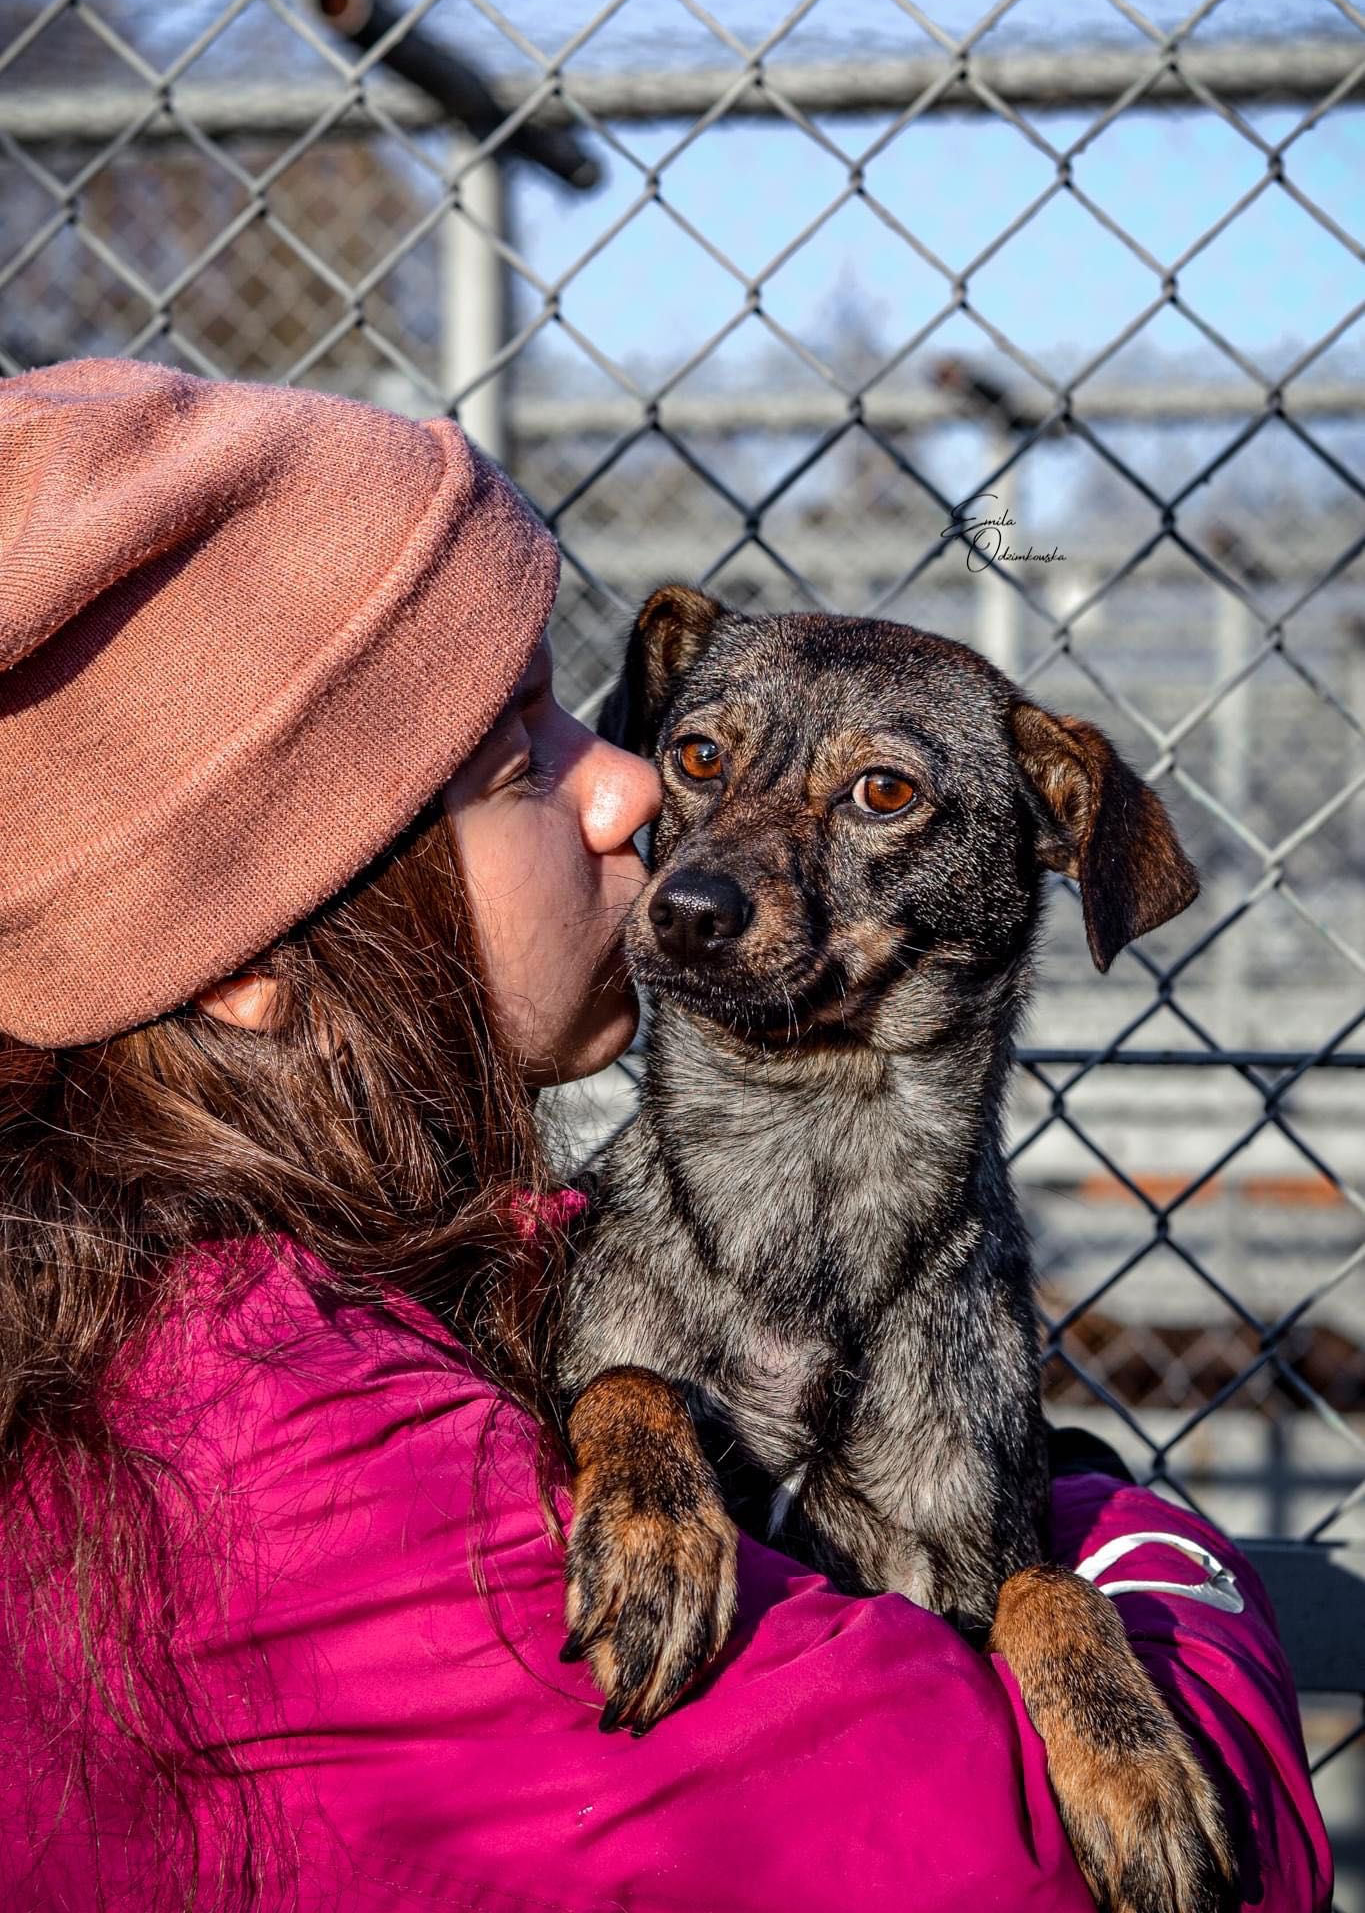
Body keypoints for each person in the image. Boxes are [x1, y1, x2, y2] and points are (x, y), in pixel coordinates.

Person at [0, 358, 1331, 1913]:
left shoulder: (385, 1274)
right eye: (522, 761)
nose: (640, 789)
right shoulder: (281, 1453)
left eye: (599, 724)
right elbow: (1017, 1869)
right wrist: (1118, 1538)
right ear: (246, 954)